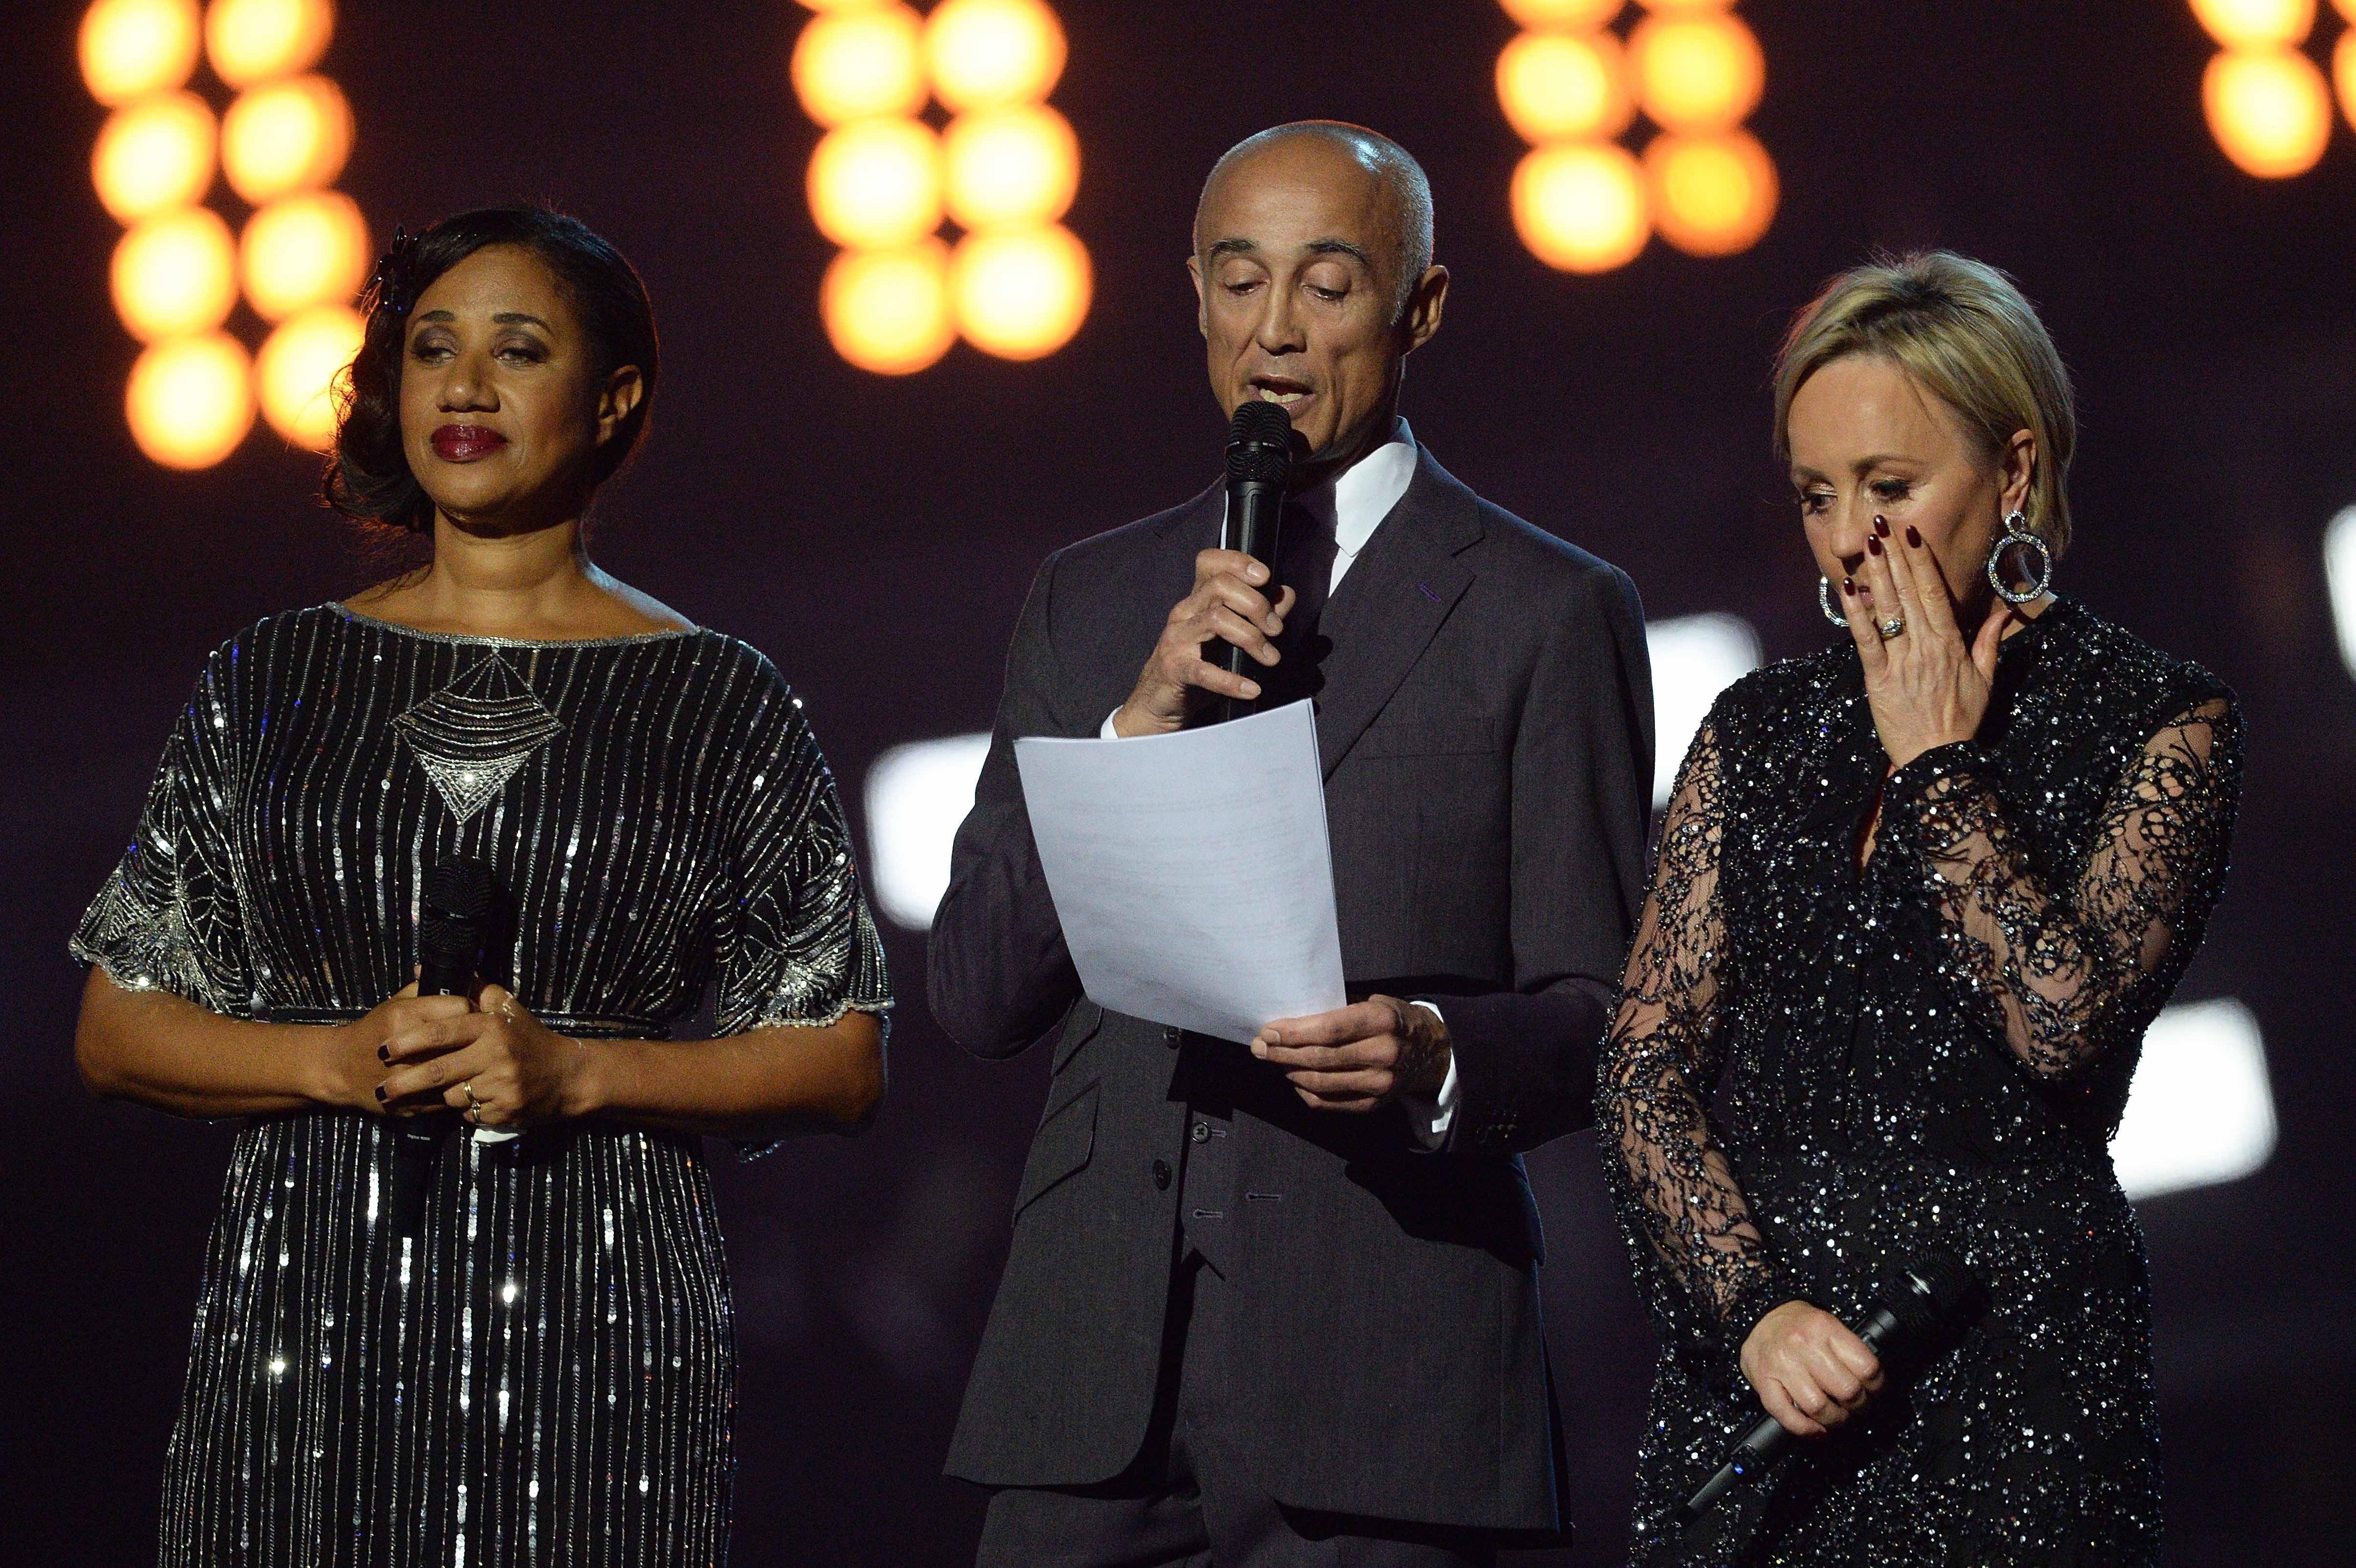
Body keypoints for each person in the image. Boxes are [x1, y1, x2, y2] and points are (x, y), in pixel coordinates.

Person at [69, 205, 892, 1567]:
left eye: (518, 350)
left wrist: (576, 1075)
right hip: (301, 1339)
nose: (462, 387)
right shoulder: (267, 680)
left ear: (613, 396)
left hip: (601, 1346)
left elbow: (842, 1058)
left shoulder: (715, 696)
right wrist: (338, 1061)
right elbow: (116, 1026)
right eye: (431, 349)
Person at [932, 122, 1654, 1564]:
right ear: (1192, 293)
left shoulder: (1543, 610)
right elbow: (973, 992)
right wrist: (1134, 728)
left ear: (1421, 309)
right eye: (1239, 281)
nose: (1274, 333)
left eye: (1327, 287)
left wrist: (1438, 1050)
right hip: (1091, 1395)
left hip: (1387, 1371)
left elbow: (1614, 1015)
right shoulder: (1090, 603)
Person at [1597, 251, 2241, 1566]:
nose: (1847, 539)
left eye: (1891, 488)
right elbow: (1642, 1067)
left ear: (2011, 474)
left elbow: (2064, 1029)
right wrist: (1757, 1314)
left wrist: (1942, 766)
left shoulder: (2158, 724)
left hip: (2015, 1409)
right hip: (1766, 1396)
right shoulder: (1758, 733)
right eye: (1818, 495)